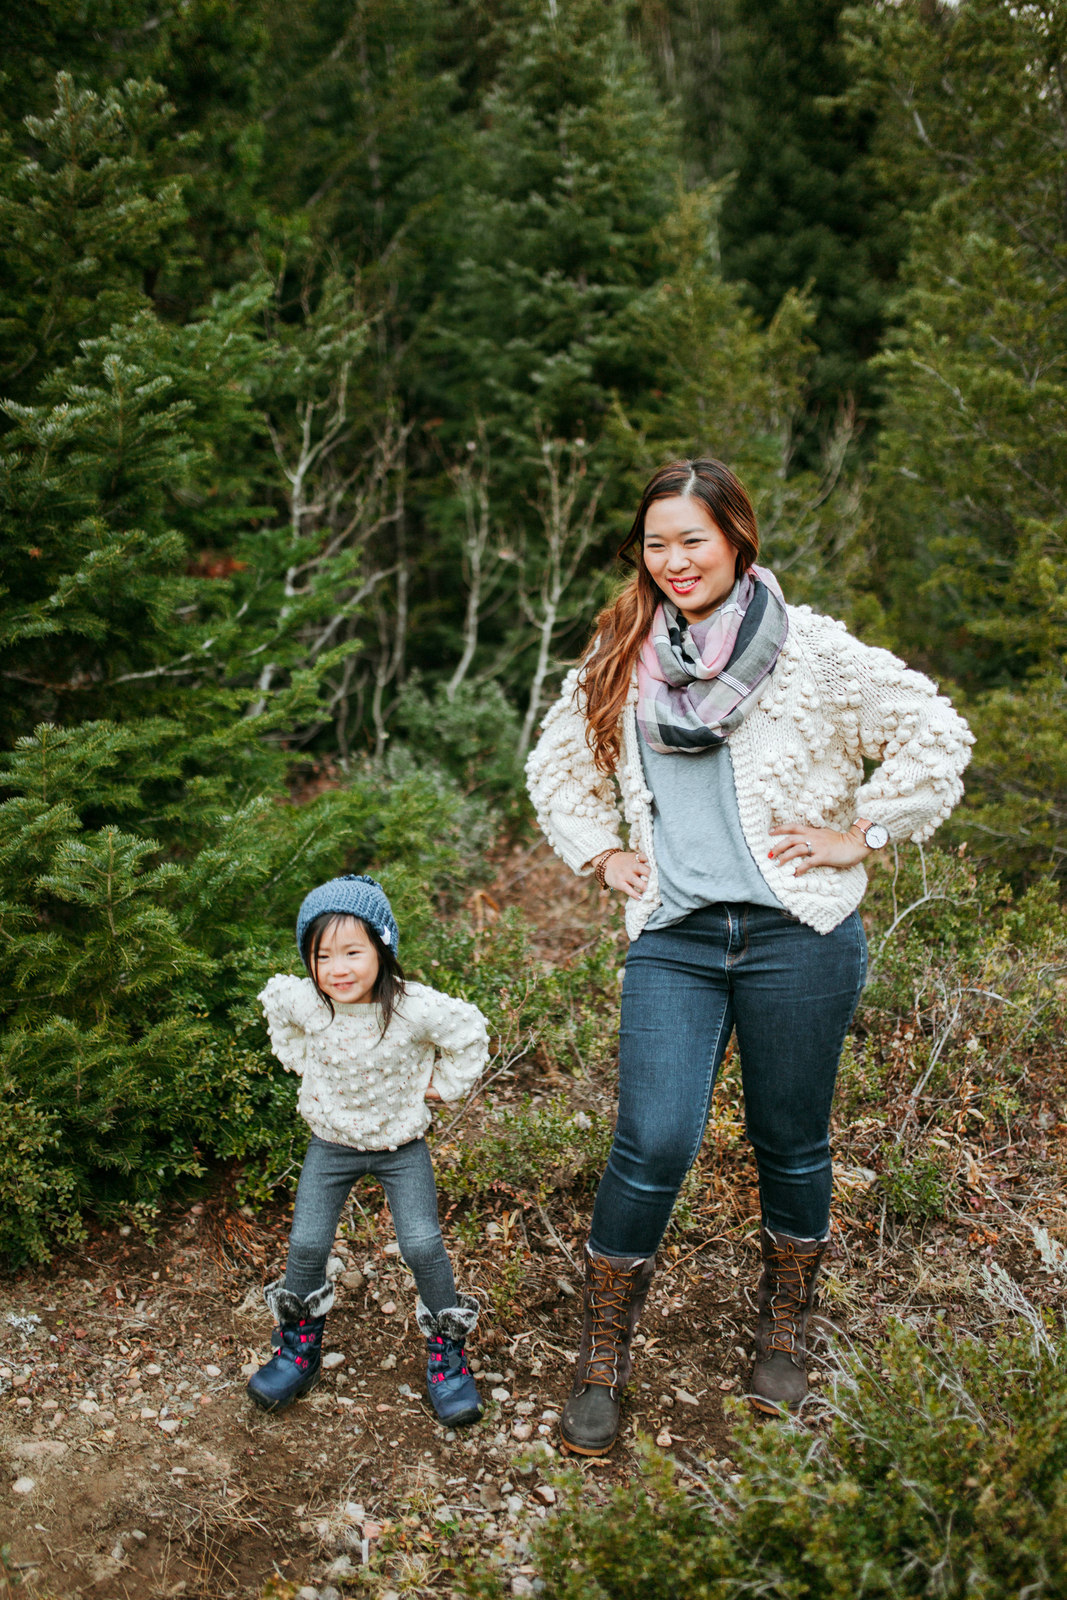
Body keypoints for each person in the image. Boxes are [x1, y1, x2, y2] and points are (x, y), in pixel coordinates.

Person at [526, 458, 973, 1455]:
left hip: (795, 938)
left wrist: (862, 832)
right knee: (650, 1140)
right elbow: (557, 764)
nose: (673, 560)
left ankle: (782, 1326)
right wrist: (599, 850)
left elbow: (934, 734)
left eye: (691, 538)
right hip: (676, 939)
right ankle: (603, 1350)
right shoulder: (622, 647)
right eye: (655, 542)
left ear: (735, 537)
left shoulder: (810, 652)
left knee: (789, 1137)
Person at [248, 873, 488, 1427]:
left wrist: (443, 1084)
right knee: (307, 1244)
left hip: (400, 1148)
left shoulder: (412, 1008)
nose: (338, 968)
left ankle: (448, 1357)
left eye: (353, 951)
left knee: (423, 1245)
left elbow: (470, 1032)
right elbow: (275, 1009)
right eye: (322, 955)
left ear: (382, 950)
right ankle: (298, 1351)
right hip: (330, 1146)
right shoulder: (305, 1001)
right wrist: (298, 1060)